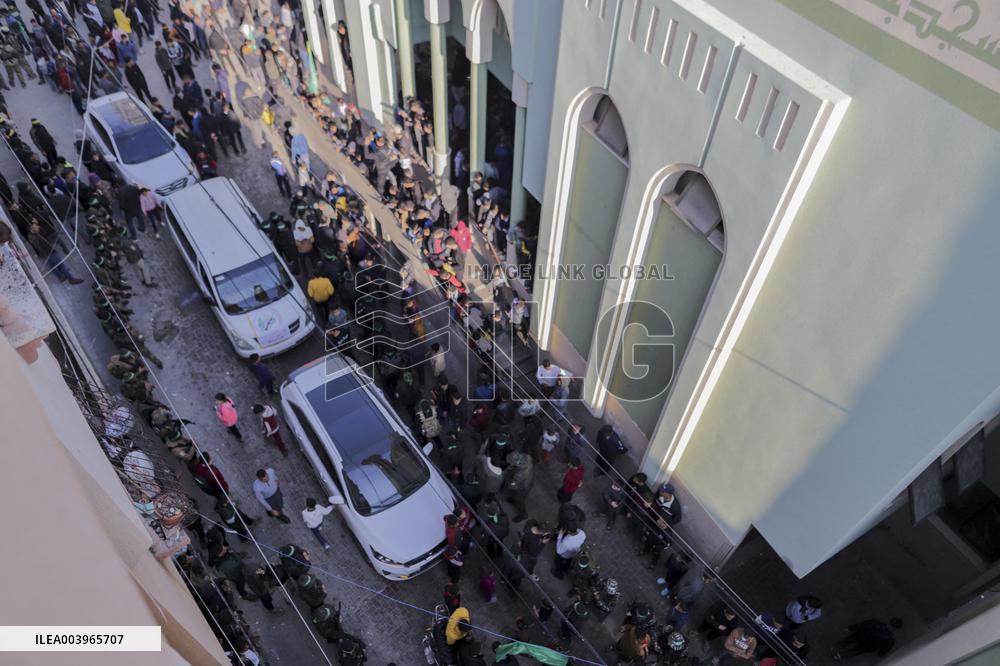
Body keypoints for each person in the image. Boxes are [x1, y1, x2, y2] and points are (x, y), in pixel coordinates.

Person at [832, 618, 903, 661]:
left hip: (859, 637)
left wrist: (851, 628)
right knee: (854, 650)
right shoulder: (890, 639)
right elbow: (885, 649)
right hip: (867, 646)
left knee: (847, 642)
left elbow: (862, 625)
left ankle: (836, 648)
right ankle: (838, 655)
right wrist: (880, 654)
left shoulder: (876, 623)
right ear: (895, 629)